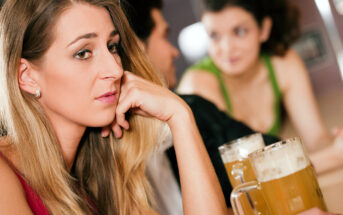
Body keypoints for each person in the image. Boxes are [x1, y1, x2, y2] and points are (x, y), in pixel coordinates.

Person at [0, 0, 228, 214]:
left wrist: (180, 116)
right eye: (83, 53)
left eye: (112, 46)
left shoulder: (98, 172)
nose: (115, 70)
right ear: (27, 77)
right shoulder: (4, 175)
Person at [121, 0, 279, 214]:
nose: (174, 52)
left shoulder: (189, 108)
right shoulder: (106, 157)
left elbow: (273, 153)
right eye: (165, 36)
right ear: (136, 49)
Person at [177, 0, 343, 174]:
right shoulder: (198, 84)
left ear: (264, 29)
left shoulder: (284, 63)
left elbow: (316, 140)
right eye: (214, 36)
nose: (227, 48)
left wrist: (337, 144)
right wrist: (335, 156)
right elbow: (246, 174)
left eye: (239, 32)